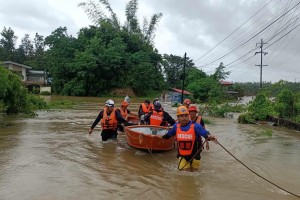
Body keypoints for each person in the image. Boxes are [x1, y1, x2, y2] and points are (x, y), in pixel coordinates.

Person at [160, 106, 217, 171]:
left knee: (194, 173)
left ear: (188, 116)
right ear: (178, 118)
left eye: (186, 116)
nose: (184, 118)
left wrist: (209, 136)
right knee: (184, 174)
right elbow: (169, 134)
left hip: (195, 155)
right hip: (182, 155)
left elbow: (204, 132)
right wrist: (162, 138)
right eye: (181, 116)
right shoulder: (176, 126)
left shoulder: (196, 126)